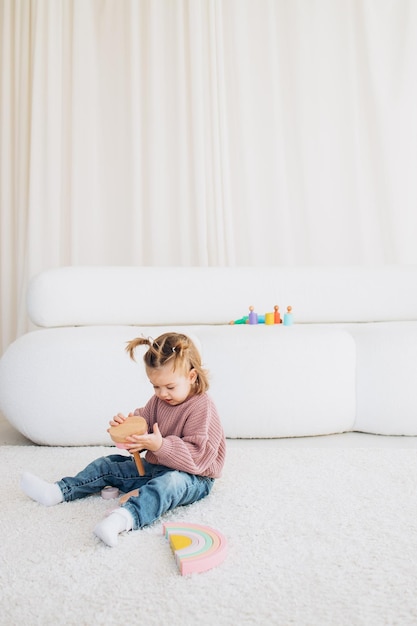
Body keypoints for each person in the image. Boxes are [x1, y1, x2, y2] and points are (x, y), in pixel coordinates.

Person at [21, 332, 226, 547]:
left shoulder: (202, 407)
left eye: (170, 387)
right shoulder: (159, 400)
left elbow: (199, 457)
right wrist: (129, 426)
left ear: (191, 377)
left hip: (195, 477)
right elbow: (145, 419)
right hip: (159, 466)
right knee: (108, 465)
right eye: (155, 386)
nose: (162, 393)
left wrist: (160, 445)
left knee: (169, 484)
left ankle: (123, 519)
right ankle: (57, 491)